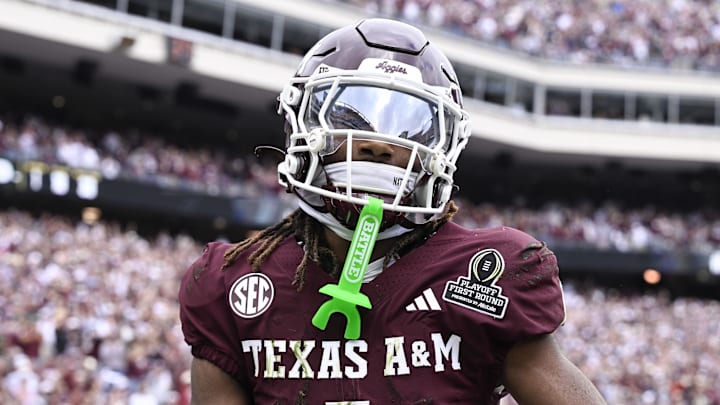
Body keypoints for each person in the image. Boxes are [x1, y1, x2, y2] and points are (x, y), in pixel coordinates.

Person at [179, 18, 607, 404]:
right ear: (303, 123)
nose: (379, 143)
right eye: (353, 116)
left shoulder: (486, 272)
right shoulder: (232, 283)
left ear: (442, 149)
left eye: (407, 124)